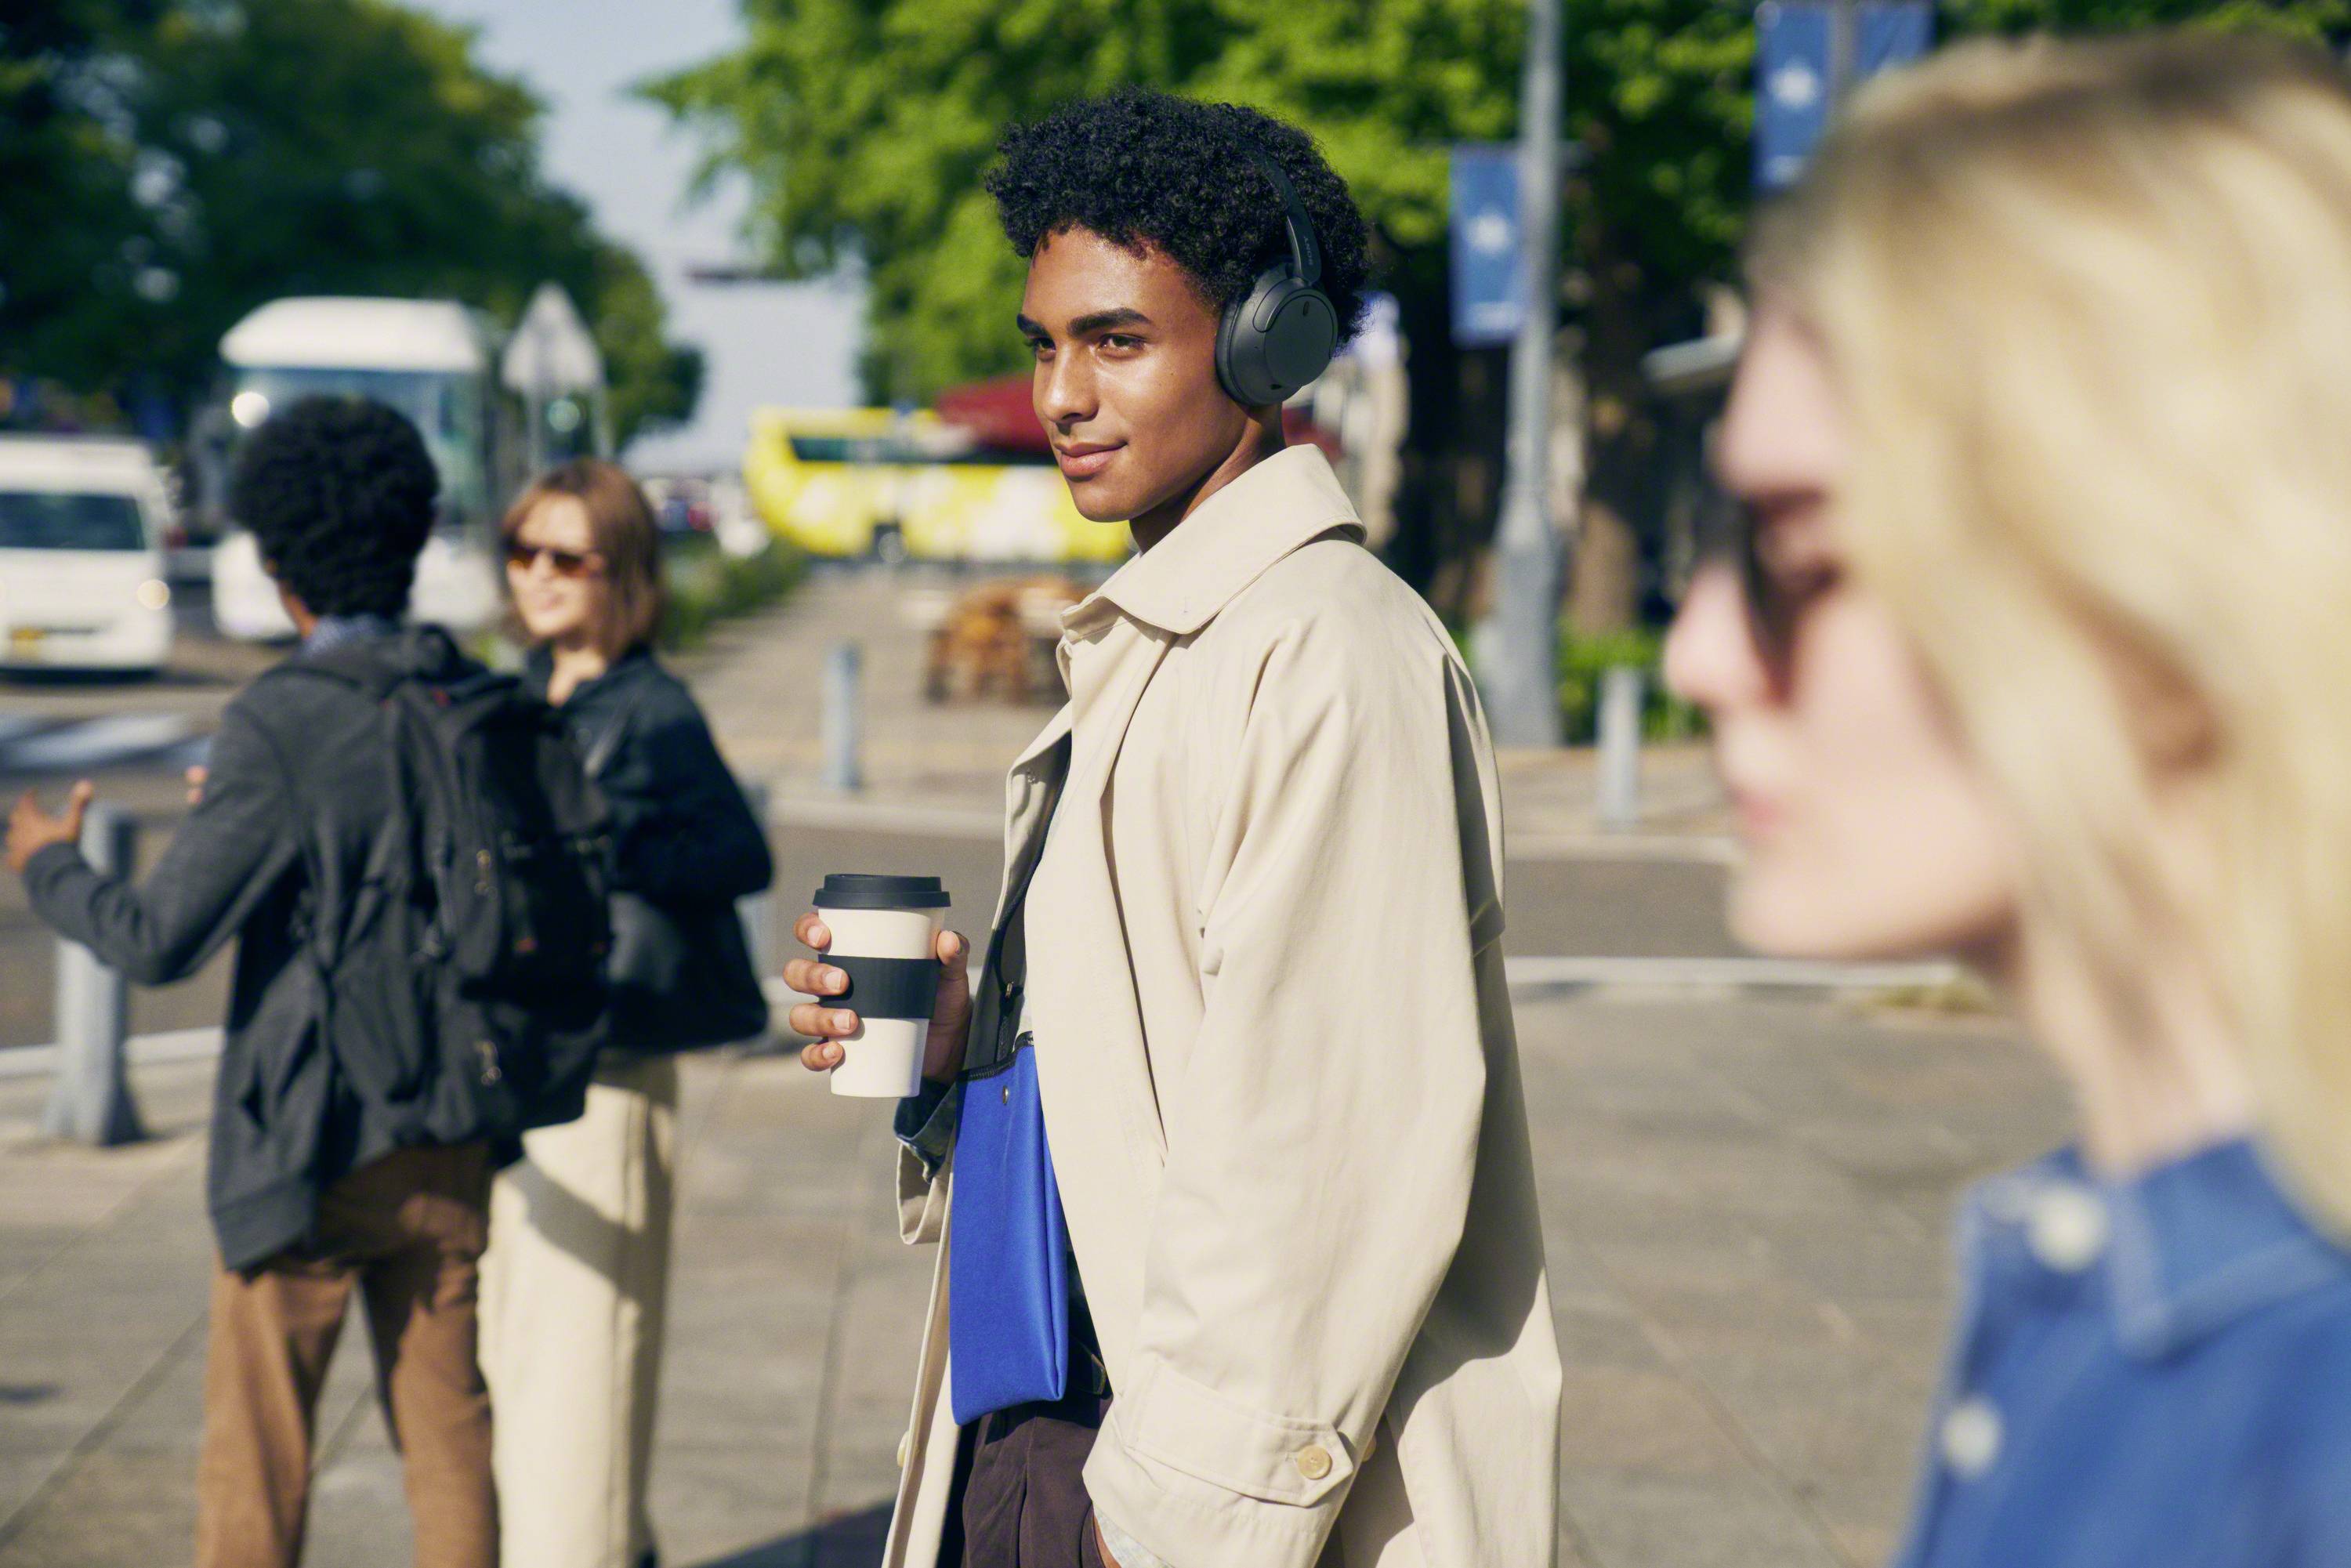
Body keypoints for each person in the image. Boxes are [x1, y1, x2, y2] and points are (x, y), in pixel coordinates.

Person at [787, 91, 1559, 1568]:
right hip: (1044, 1436)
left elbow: (1322, 1166)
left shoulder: (1323, 652)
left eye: (1118, 340)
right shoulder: (1156, 636)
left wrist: (1161, 1528)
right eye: (1045, 344)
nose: (1062, 393)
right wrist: (971, 1050)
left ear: (1270, 347)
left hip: (1171, 1494)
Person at [1664, 32, 2351, 1567]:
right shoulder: (2115, 1270)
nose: (1702, 652)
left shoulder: (2306, 1396)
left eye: (1794, 554)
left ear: (2159, 589)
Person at [2, 397, 502, 1568]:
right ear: (412, 535)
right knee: (451, 1441)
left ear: (276, 561)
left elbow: (158, 939)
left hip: (310, 1147)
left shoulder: (284, 717)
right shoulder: (469, 693)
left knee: (257, 1467)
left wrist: (50, 863)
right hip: (455, 1130)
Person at [476, 458, 773, 1568]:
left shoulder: (650, 708)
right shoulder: (528, 691)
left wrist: (603, 842)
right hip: (526, 1064)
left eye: (568, 556)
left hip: (608, 1070)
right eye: (524, 552)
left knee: (580, 1375)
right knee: (525, 1360)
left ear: (624, 576)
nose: (539, 576)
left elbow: (740, 851)